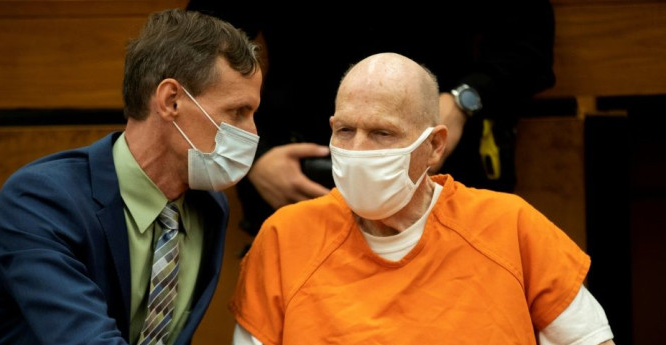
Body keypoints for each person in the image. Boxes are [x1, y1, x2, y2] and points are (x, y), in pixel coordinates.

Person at [0, 9, 354, 345]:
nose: (252, 134)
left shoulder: (209, 206)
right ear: (170, 101)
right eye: (237, 112)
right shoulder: (42, 199)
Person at [227, 52, 638, 345]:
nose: (357, 152)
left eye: (382, 133)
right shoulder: (285, 234)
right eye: (345, 131)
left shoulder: (506, 225)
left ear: (435, 146)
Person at [187, 2, 556, 237]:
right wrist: (254, 156)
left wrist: (463, 100)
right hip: (298, 177)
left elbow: (530, 46)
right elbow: (204, 46)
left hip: (440, 174)